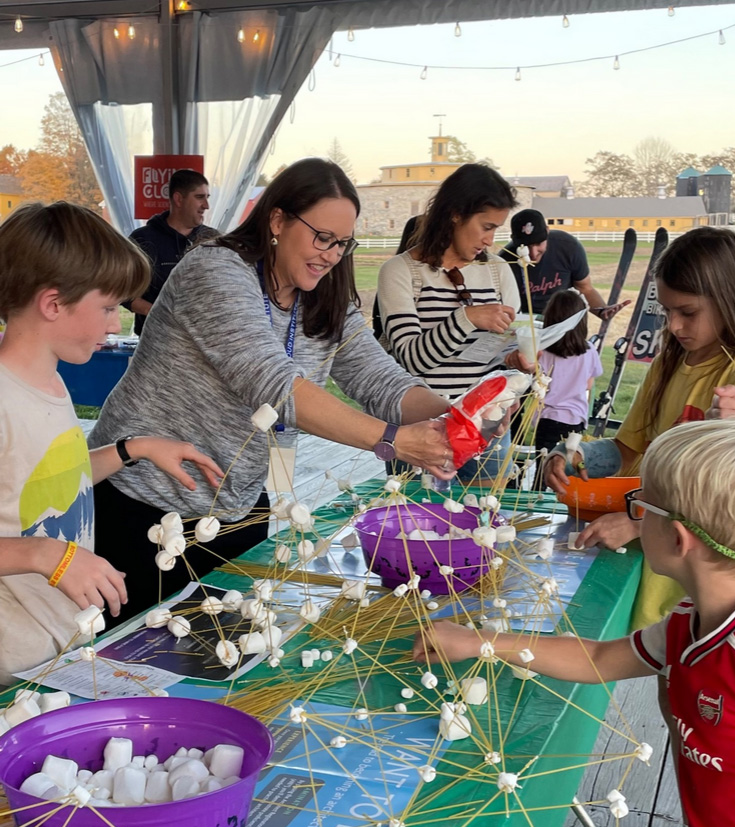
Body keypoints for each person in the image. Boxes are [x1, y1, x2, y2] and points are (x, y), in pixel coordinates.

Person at [415, 418, 735, 827]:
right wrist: (484, 642)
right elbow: (602, 658)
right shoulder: (687, 620)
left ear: (677, 538)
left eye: (641, 505)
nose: (632, 511)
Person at [89, 158, 456, 621]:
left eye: (342, 244)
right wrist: (390, 439)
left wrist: (456, 415)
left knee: (229, 656)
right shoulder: (216, 271)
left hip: (237, 505)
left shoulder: (325, 298)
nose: (331, 254)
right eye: (322, 238)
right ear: (277, 220)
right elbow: (271, 382)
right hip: (142, 504)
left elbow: (381, 381)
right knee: (130, 663)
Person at [0, 202, 224, 683]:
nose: (113, 325)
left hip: (62, 647)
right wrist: (46, 556)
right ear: (53, 303)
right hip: (12, 666)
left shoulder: (51, 383)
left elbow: (53, 478)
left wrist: (133, 449)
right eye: (106, 308)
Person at [544, 226, 735, 629]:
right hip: (654, 563)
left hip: (713, 586)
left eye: (687, 313)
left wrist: (639, 526)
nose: (673, 326)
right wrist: (574, 452)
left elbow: (730, 506)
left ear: (730, 299)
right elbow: (628, 447)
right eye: (666, 312)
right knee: (664, 672)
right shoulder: (667, 365)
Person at [376, 163, 521, 482]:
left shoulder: (499, 272)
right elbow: (412, 360)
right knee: (419, 526)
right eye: (486, 226)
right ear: (455, 213)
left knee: (488, 523)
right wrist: (467, 317)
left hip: (487, 423)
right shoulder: (400, 272)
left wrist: (517, 364)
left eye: (497, 228)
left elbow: (500, 354)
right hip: (420, 428)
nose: (490, 239)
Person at [126, 169, 215, 336]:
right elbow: (122, 291)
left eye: (207, 198)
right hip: (155, 341)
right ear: (179, 199)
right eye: (199, 197)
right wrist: (156, 313)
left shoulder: (213, 240)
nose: (206, 206)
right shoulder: (143, 239)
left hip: (204, 343)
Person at [531, 289, 603, 489]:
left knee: (544, 471)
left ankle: (537, 508)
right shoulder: (589, 350)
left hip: (548, 419)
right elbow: (589, 383)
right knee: (570, 471)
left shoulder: (542, 352)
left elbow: (537, 382)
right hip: (576, 420)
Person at [500, 208, 624, 320]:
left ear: (547, 232)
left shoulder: (568, 246)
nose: (533, 254)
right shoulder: (503, 261)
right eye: (525, 246)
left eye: (539, 244)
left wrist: (602, 310)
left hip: (562, 321)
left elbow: (584, 287)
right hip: (525, 324)